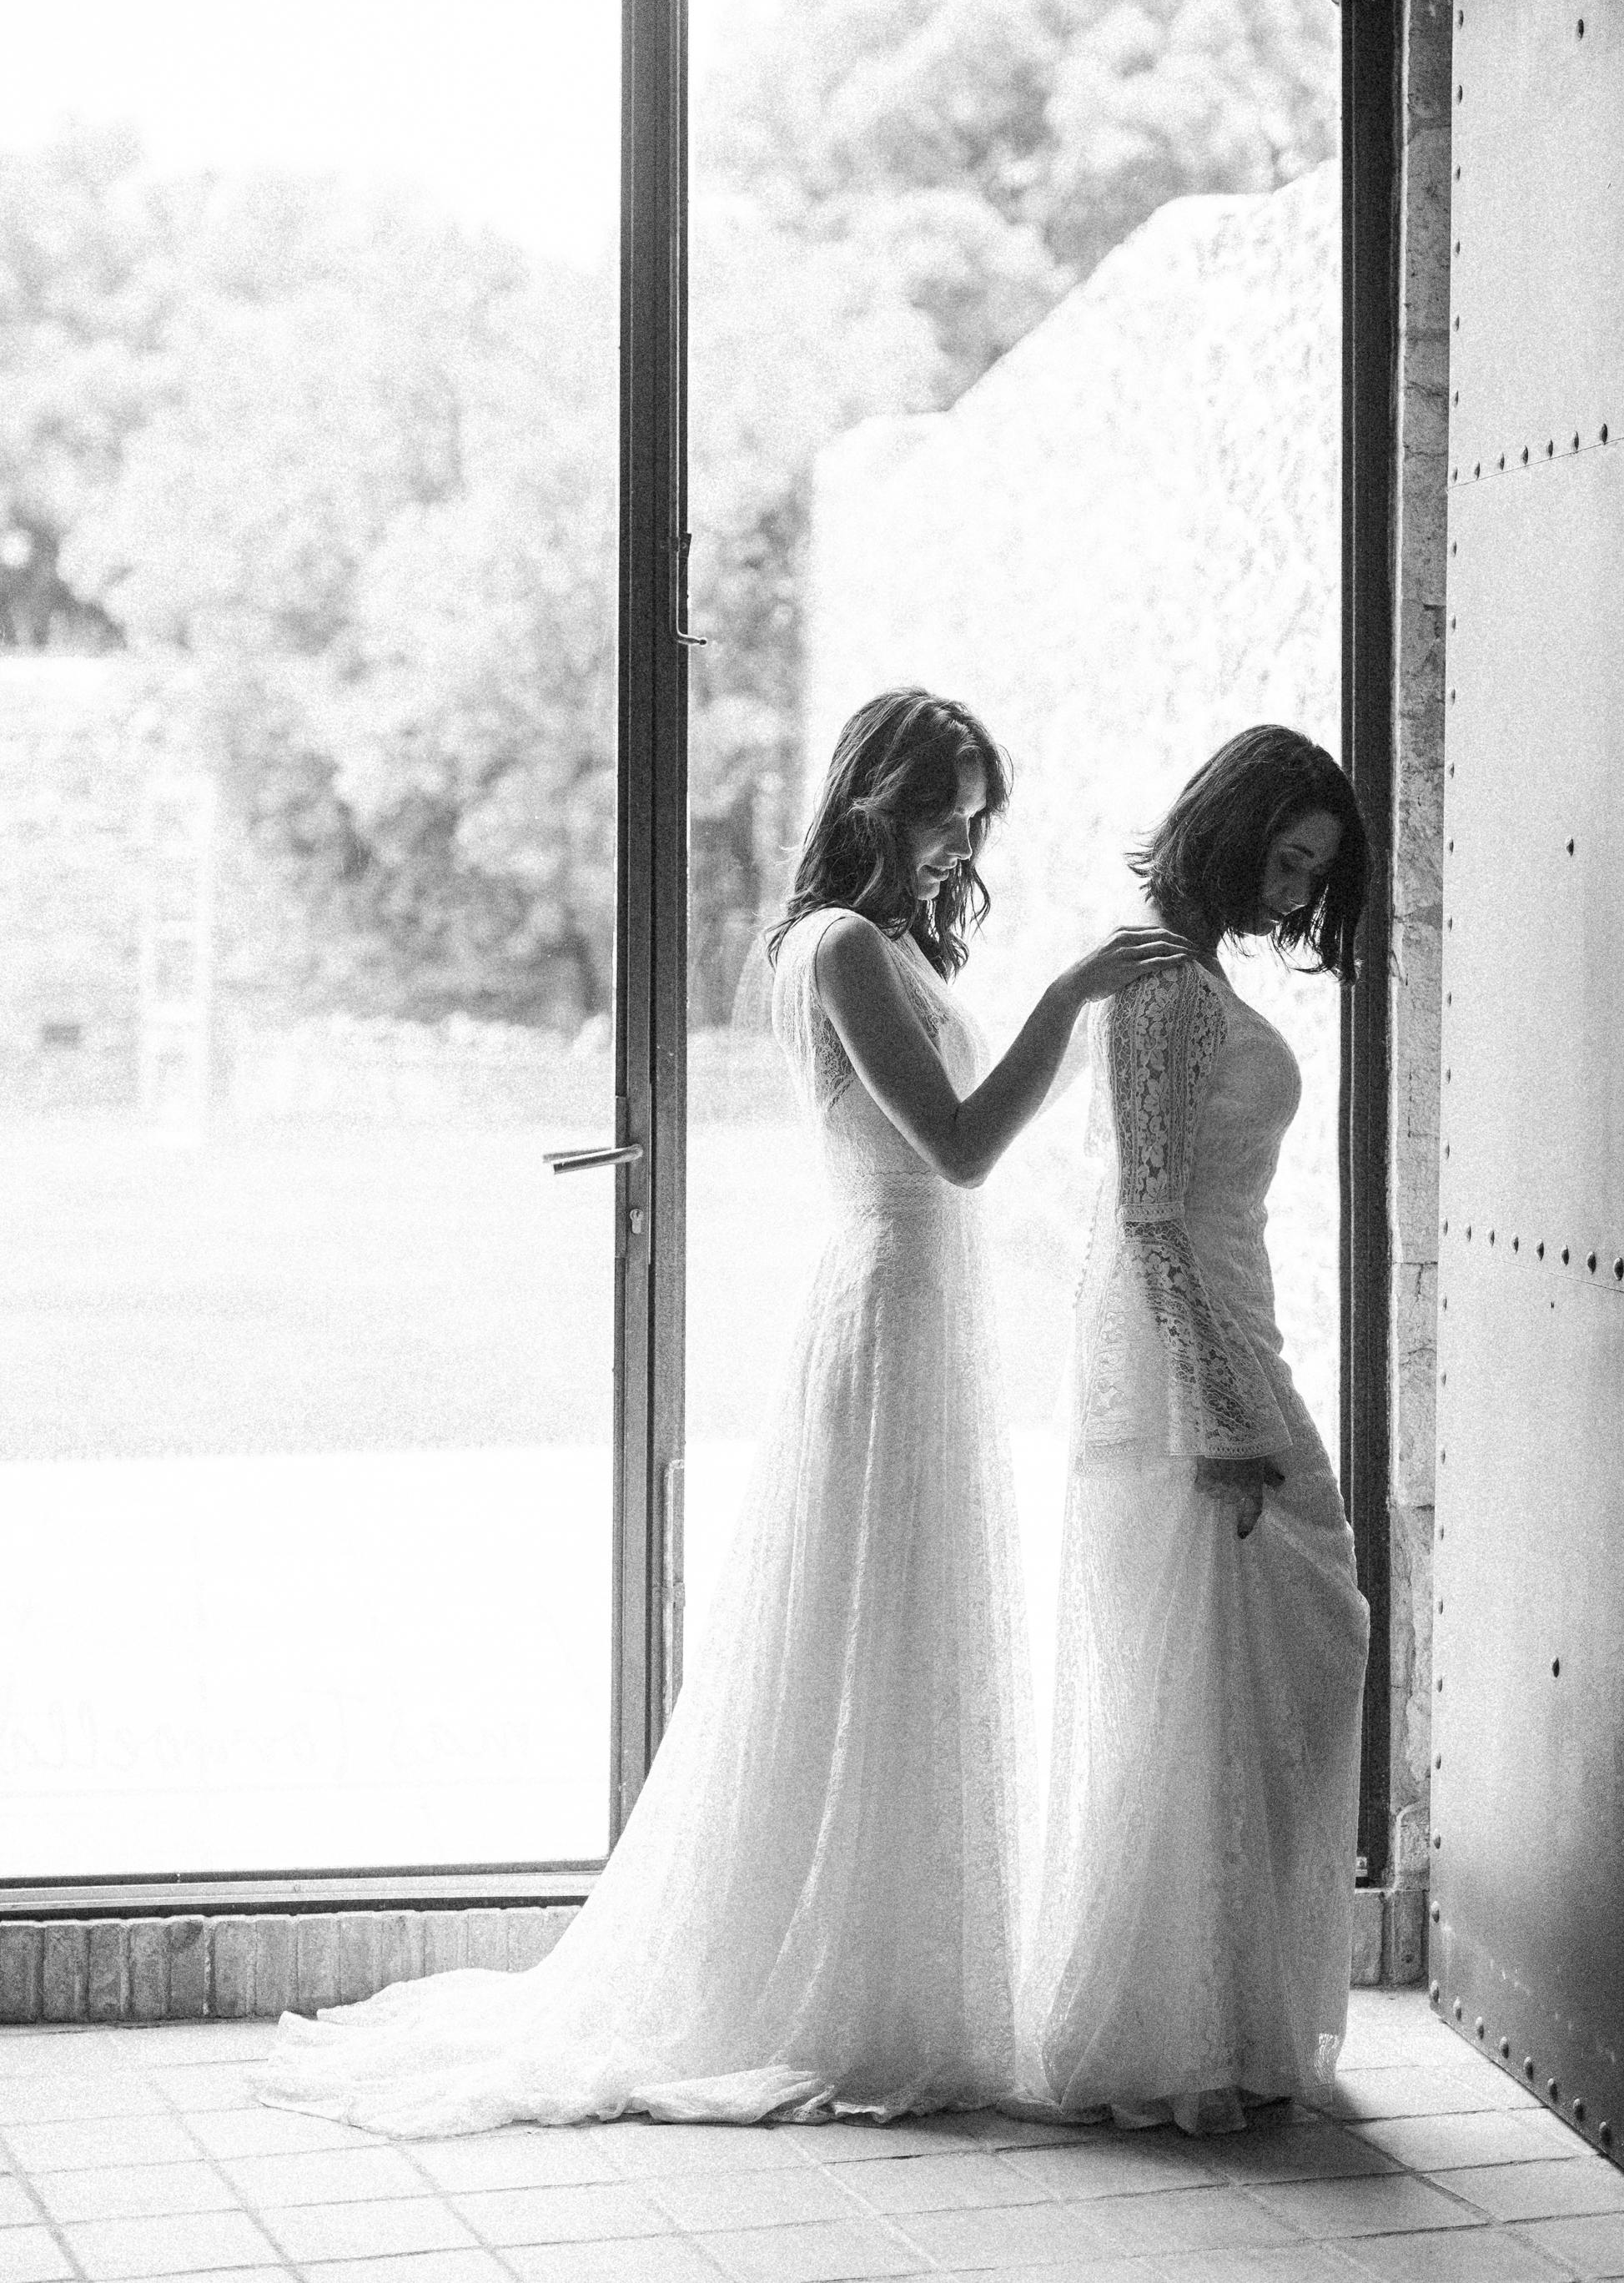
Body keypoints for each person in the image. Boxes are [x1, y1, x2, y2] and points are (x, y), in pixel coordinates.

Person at [260, 687, 1184, 2136]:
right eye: (945, 808)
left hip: (929, 1318)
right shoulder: (837, 949)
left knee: (907, 1636)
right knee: (863, 1632)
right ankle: (826, 1984)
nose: (962, 840)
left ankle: (905, 1966)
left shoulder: (889, 947)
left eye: (977, 816)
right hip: (888, 1313)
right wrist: (1070, 1002)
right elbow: (955, 1150)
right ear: (875, 799)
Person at [1024, 724, 1372, 2132]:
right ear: (1230, 831)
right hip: (1188, 1357)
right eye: (1287, 859)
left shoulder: (1196, 969)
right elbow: (1149, 1210)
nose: (1298, 895)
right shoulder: (1159, 980)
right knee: (1239, 1667)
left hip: (1234, 1319)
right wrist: (1217, 1413)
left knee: (1261, 1672)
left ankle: (1225, 2017)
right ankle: (1170, 2031)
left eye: (1316, 872)